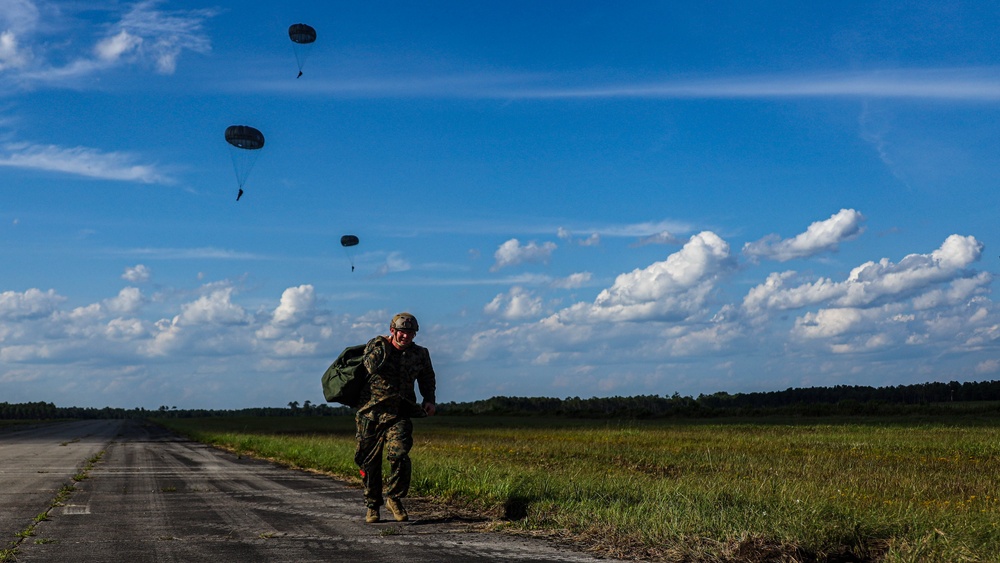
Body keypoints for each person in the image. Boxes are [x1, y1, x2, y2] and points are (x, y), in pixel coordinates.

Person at [354, 312, 436, 523]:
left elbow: (427, 377)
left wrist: (429, 399)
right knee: (369, 462)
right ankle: (372, 506)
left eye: (410, 333)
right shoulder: (378, 346)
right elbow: (370, 366)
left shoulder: (420, 354)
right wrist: (384, 346)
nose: (406, 337)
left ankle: (394, 498)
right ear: (393, 331)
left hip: (400, 412)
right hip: (370, 414)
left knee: (399, 455)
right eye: (402, 332)